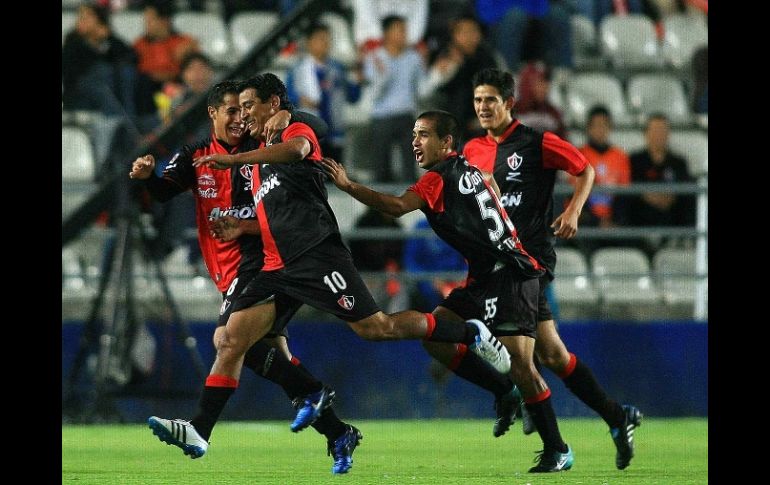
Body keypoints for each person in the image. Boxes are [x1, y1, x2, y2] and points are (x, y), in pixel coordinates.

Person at [147, 73, 511, 468]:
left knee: (375, 328)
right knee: (234, 340)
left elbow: (303, 145)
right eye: (239, 108)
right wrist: (243, 225)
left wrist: (259, 139)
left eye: (250, 105)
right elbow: (273, 211)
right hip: (277, 265)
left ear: (273, 104)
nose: (245, 115)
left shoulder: (292, 132)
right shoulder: (257, 153)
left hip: (316, 255)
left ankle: (467, 331)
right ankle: (206, 429)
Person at [321, 110, 575, 474]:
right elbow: (493, 191)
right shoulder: (471, 171)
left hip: (510, 274)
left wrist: (348, 186)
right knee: (438, 335)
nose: (415, 142)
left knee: (521, 364)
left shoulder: (437, 179)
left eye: (424, 135)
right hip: (487, 274)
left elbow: (395, 207)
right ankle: (503, 391)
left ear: (446, 143)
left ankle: (557, 448)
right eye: (414, 135)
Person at [130, 80, 360, 473]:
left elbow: (316, 128)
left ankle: (199, 429)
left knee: (228, 339)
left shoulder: (263, 151)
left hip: (261, 264)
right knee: (272, 357)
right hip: (228, 271)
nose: (241, 119)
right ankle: (337, 430)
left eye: (244, 110)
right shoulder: (198, 155)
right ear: (213, 114)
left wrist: (292, 114)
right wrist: (146, 178)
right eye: (231, 111)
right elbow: (160, 195)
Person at [458, 68, 641, 470]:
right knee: (554, 355)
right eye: (478, 100)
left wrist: (573, 210)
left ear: (509, 103)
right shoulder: (472, 150)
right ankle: (616, 415)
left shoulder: (537, 142)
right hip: (498, 261)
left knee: (515, 355)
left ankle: (550, 438)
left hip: (530, 260)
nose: (483, 107)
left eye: (490, 99)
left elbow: (585, 169)